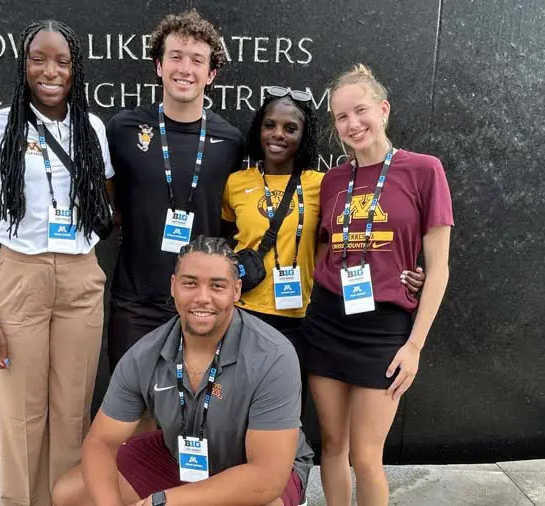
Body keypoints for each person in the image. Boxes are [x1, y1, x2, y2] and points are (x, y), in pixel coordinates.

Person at [0, 20, 114, 506]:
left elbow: (105, 205)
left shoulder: (91, 128)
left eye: (62, 61)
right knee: (21, 412)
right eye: (38, 59)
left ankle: (65, 499)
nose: (51, 71)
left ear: (76, 69)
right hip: (20, 272)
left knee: (72, 408)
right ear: (22, 65)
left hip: (80, 274)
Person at [52, 236, 314, 506]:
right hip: (179, 457)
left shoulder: (272, 355)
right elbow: (100, 443)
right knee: (71, 494)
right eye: (190, 283)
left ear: (236, 291)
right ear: (173, 286)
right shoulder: (145, 354)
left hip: (255, 471)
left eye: (217, 286)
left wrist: (164, 501)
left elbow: (266, 479)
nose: (202, 298)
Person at [221, 88, 426, 414]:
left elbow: (352, 237)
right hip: (244, 315)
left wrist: (407, 272)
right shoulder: (234, 183)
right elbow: (223, 241)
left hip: (304, 321)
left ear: (305, 136)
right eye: (269, 125)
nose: (277, 135)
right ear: (258, 129)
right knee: (235, 410)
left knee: (285, 414)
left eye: (290, 128)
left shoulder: (325, 183)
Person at [305, 64, 453, 506]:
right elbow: (324, 248)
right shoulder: (333, 180)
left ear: (383, 110)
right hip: (328, 321)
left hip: (385, 329)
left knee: (366, 457)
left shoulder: (424, 171)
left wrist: (415, 347)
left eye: (361, 110)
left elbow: (439, 268)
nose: (352, 124)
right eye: (341, 117)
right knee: (332, 446)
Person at [105, 10, 244, 373]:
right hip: (135, 300)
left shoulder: (229, 140)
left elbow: (231, 218)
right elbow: (111, 201)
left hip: (201, 304)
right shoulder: (123, 129)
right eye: (176, 57)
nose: (185, 68)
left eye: (197, 60)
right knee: (133, 412)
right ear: (158, 65)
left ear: (210, 73)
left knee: (194, 412)